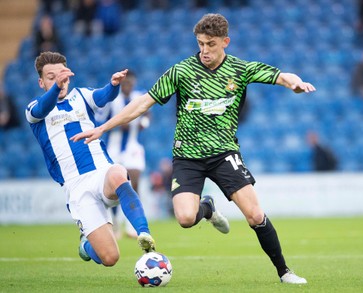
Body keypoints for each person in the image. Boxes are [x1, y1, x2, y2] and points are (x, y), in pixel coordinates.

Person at [71, 13, 315, 284]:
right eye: (200, 44)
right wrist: (104, 128)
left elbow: (282, 76)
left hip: (224, 153)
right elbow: (142, 103)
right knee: (186, 218)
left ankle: (284, 272)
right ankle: (207, 209)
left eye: (211, 44)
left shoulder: (240, 69)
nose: (205, 50)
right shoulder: (182, 71)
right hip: (187, 156)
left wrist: (295, 83)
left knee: (255, 214)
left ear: (225, 42)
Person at [25, 51, 155, 267]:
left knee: (118, 172)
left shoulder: (80, 96)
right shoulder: (33, 110)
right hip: (76, 187)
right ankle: (86, 245)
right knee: (110, 258)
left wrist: (113, 85)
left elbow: (103, 97)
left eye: (63, 75)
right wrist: (57, 86)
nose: (60, 80)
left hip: (101, 172)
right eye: (51, 77)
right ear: (41, 82)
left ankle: (144, 235)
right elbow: (42, 107)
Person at [103, 71, 150, 238]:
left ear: (134, 83)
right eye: (125, 84)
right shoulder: (112, 100)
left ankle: (132, 225)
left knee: (135, 182)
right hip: (114, 147)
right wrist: (117, 125)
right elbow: (102, 120)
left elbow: (147, 115)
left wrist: (144, 123)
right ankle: (115, 221)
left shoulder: (140, 96)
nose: (127, 87)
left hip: (133, 146)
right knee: (115, 186)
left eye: (130, 83)